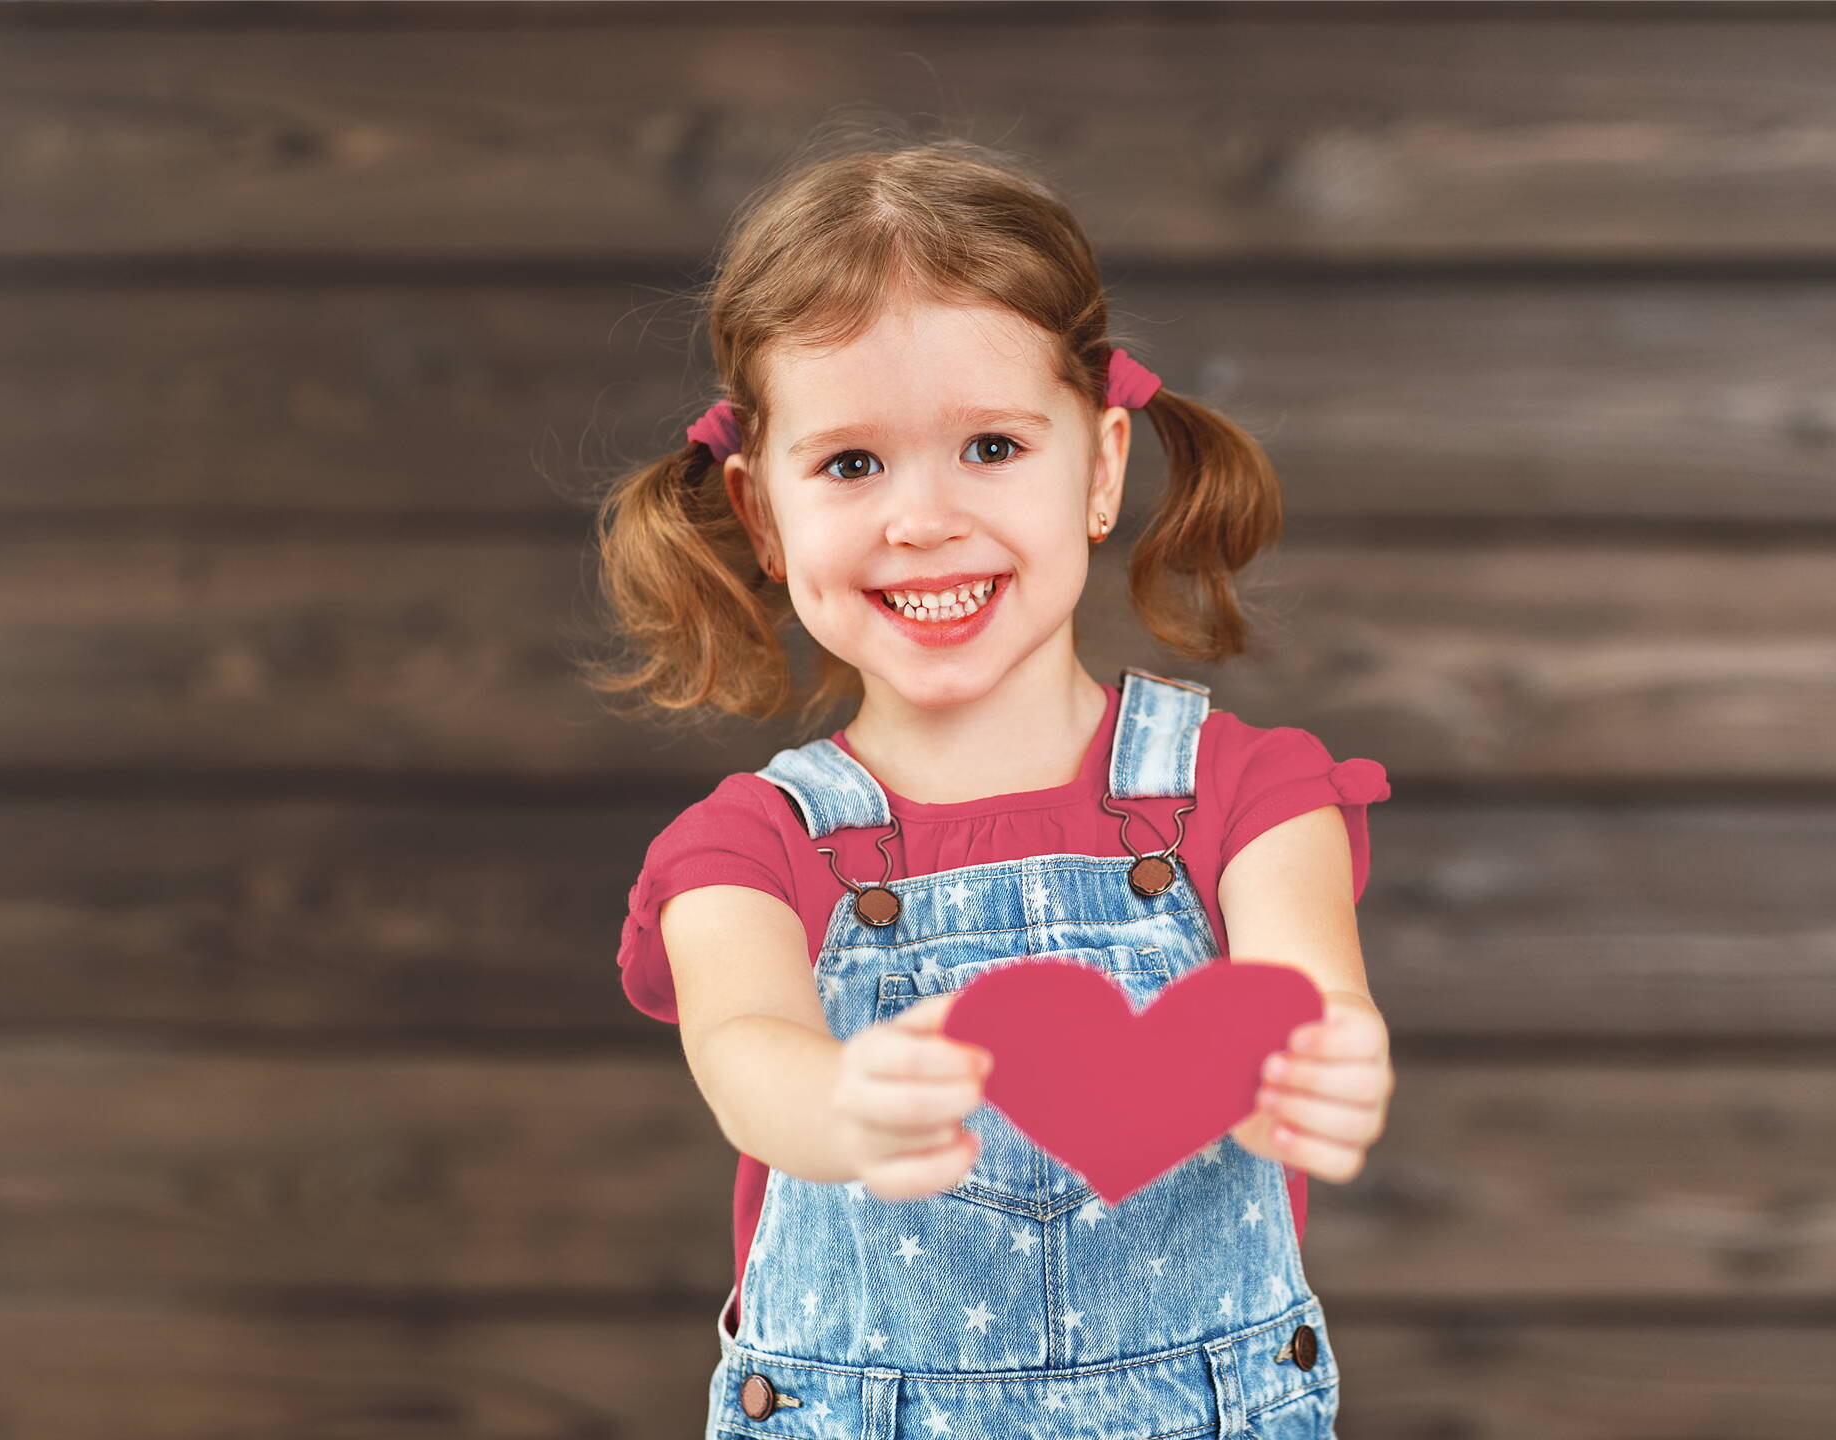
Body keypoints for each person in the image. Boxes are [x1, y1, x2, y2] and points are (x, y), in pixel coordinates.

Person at [595, 137, 1393, 1438]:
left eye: (990, 448)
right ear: (762, 511)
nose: (922, 518)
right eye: (852, 464)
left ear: (1099, 466)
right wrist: (839, 1105)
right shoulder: (748, 846)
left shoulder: (1246, 795)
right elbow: (747, 1051)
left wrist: (1324, 1054)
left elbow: (1305, 985)